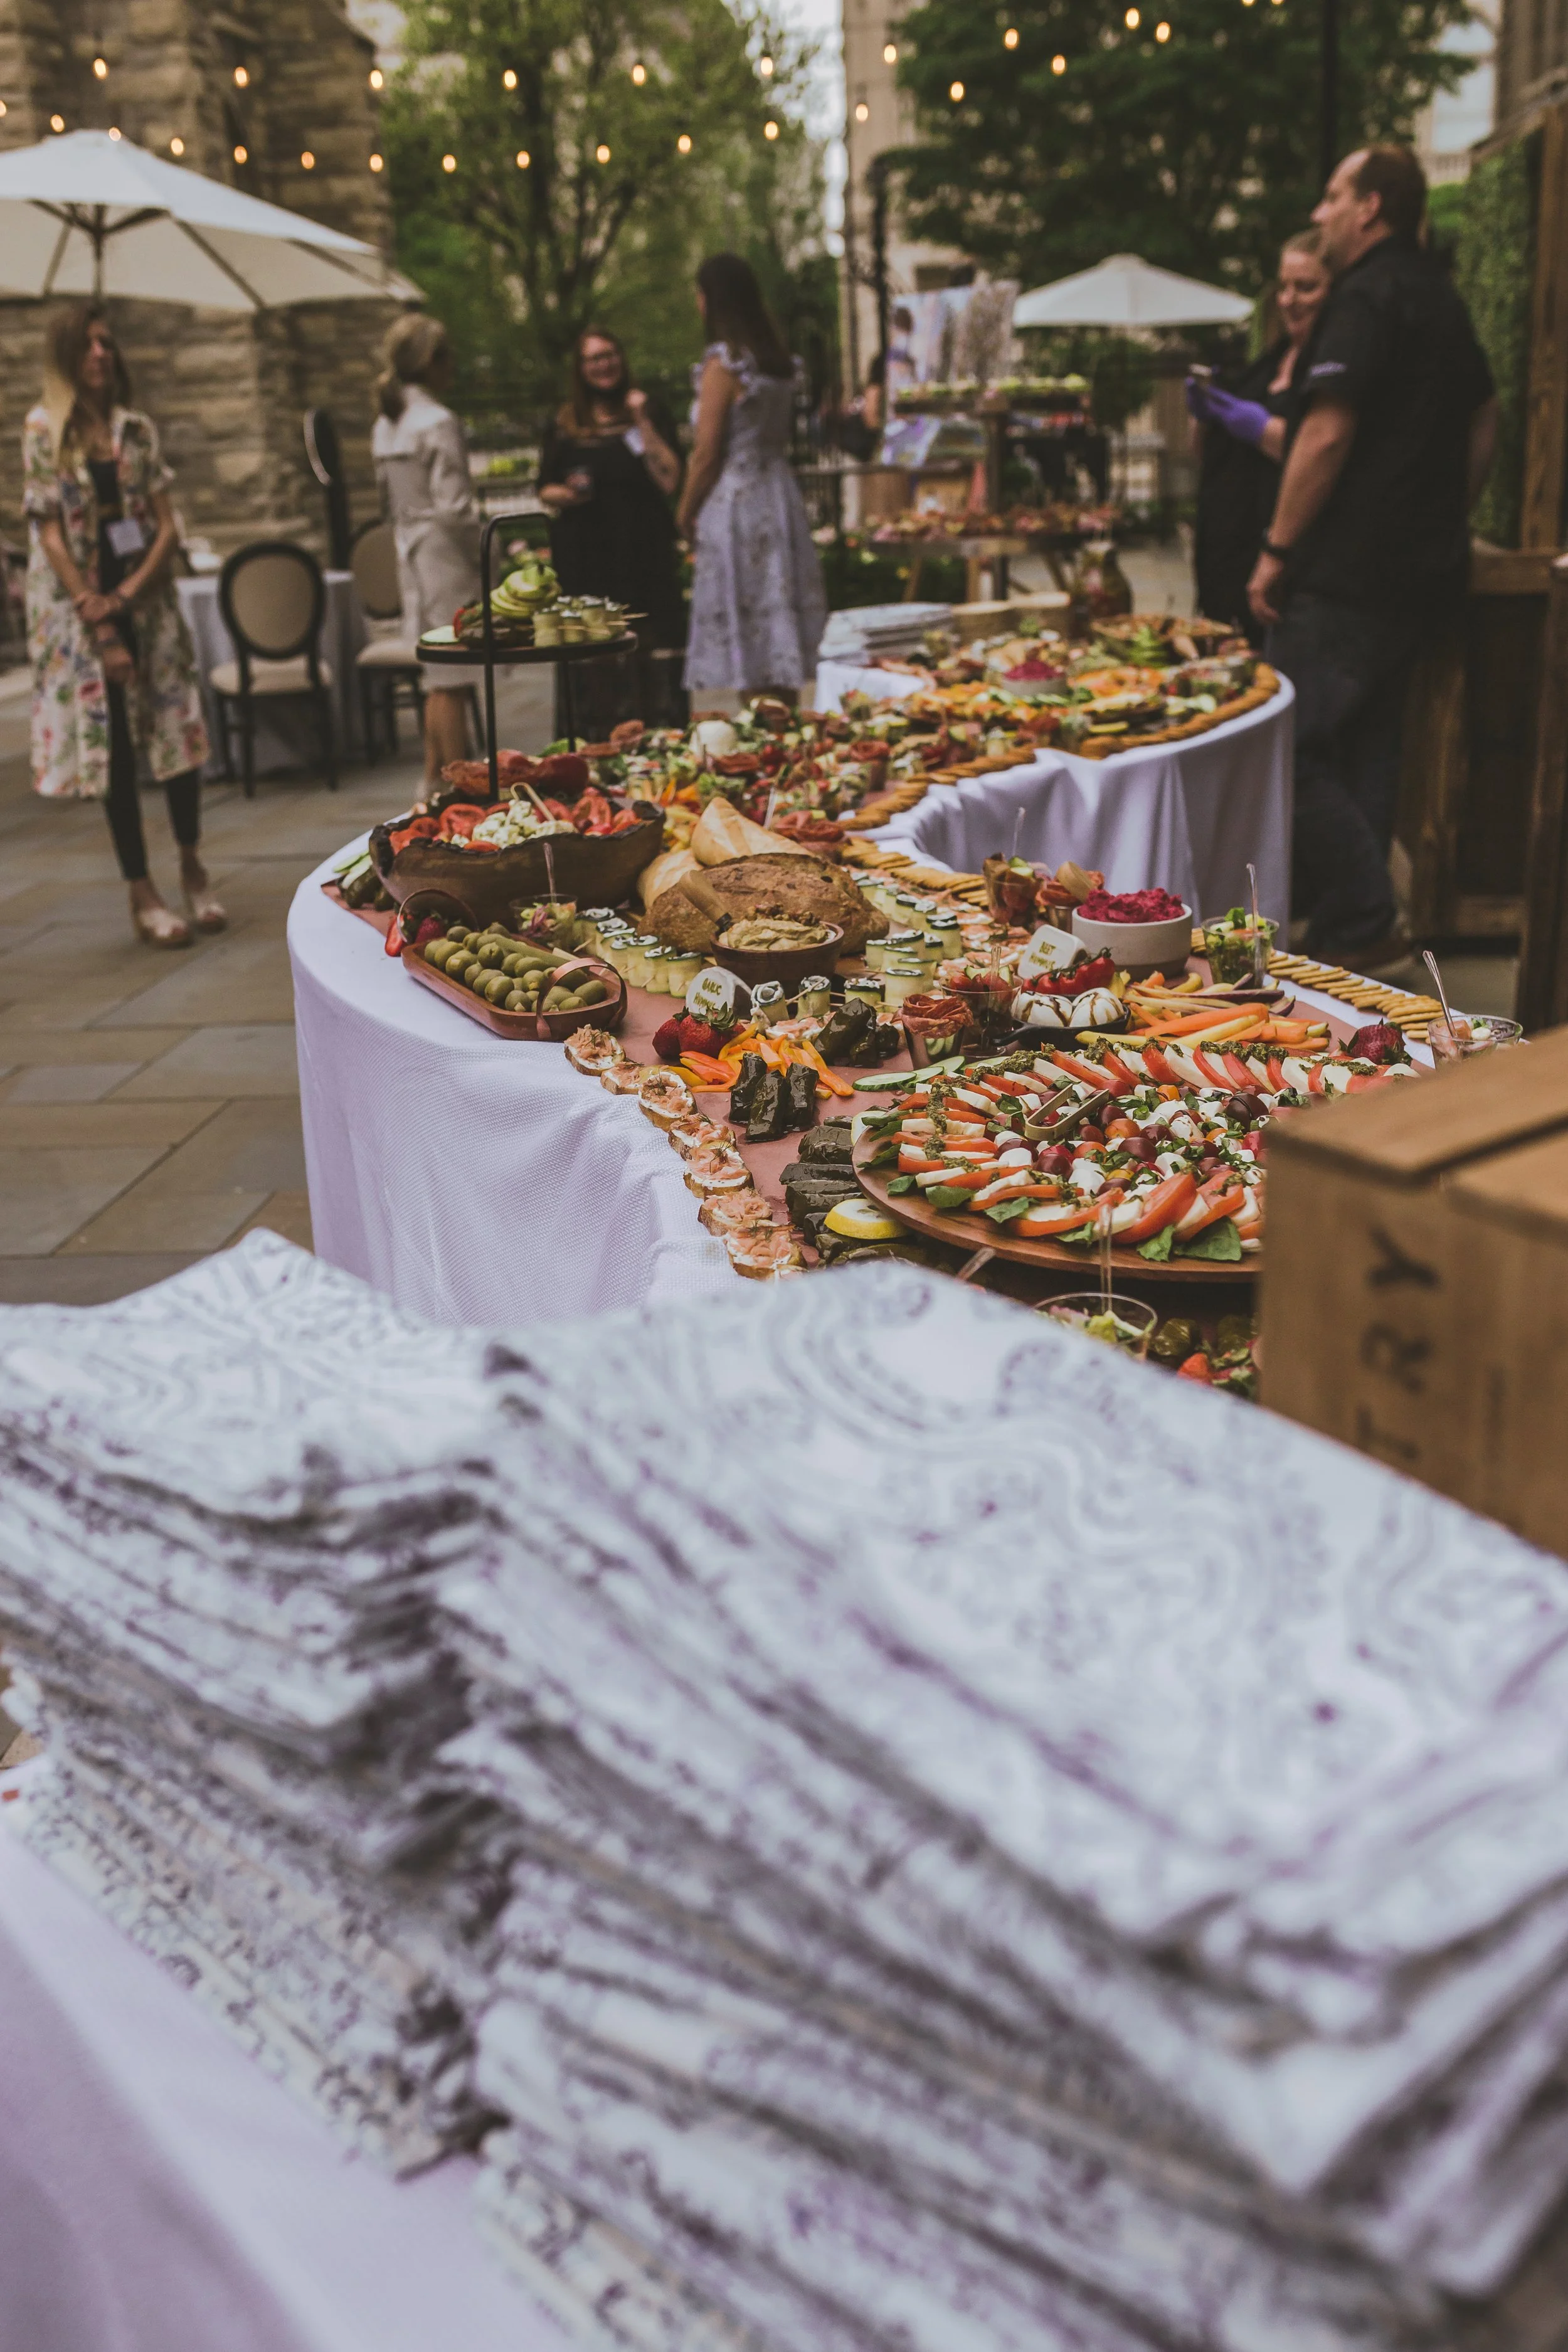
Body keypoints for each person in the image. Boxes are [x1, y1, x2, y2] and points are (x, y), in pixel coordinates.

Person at [1247, 146, 1498, 965]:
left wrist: (1277, 551)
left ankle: (1362, 911)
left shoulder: (1367, 296)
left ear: (1372, 207)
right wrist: (1439, 518)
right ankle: (1356, 935)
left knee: (1285, 744)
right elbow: (1485, 422)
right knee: (1369, 751)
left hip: (1346, 575)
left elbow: (1324, 433)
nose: (1321, 214)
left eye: (1333, 196)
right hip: (1423, 575)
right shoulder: (1443, 296)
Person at [24, 303, 220, 948]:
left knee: (176, 730)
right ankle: (142, 892)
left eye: (107, 343)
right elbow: (48, 530)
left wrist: (130, 593)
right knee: (115, 752)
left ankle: (192, 863)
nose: (101, 354)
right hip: (82, 613)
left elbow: (167, 523)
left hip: (147, 600)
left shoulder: (134, 429)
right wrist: (96, 609)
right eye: (88, 345)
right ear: (66, 355)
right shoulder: (43, 430)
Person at [677, 253, 827, 702]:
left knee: (751, 634)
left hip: (737, 503)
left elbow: (707, 452)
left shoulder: (724, 365)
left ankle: (766, 740)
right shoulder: (776, 363)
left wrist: (684, 514)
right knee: (775, 626)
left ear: (711, 301)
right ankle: (786, 733)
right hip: (779, 497)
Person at [1188, 230, 1332, 644]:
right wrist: (1205, 417)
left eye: (1306, 287)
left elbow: (1319, 451)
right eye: (1284, 287)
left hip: (1280, 575)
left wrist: (1255, 427)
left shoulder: (1328, 367)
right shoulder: (1269, 359)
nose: (1289, 300)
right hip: (1224, 568)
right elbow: (1206, 456)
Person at [372, 314, 483, 788]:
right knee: (452, 680)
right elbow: (457, 508)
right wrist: (488, 550)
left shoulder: (387, 424)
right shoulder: (437, 421)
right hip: (444, 555)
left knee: (435, 679)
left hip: (411, 551)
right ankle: (457, 787)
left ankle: (432, 782)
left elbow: (386, 498)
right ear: (432, 362)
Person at [537, 328, 686, 659]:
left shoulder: (650, 411)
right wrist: (568, 495)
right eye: (593, 358)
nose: (603, 365)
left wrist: (641, 420)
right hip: (586, 555)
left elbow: (671, 480)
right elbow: (544, 488)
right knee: (593, 653)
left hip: (643, 552)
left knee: (652, 647)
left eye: (609, 355)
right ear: (580, 368)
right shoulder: (564, 421)